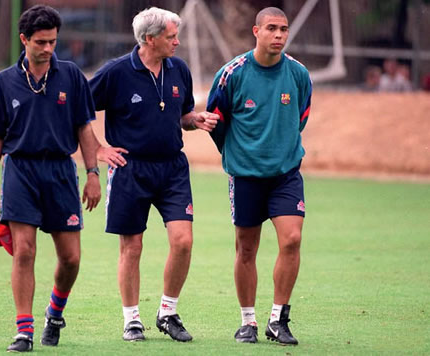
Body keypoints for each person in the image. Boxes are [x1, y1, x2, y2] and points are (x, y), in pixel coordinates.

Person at [89, 7, 218, 343]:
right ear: (150, 39)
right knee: (132, 247)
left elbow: (182, 114)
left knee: (183, 242)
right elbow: (77, 110)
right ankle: (131, 319)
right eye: (171, 36)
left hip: (172, 168)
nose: (177, 42)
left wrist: (195, 120)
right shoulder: (116, 72)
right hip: (130, 170)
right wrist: (98, 150)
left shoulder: (179, 69)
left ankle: (167, 311)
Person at [0, 5, 101, 352]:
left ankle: (54, 312)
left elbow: (84, 126)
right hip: (20, 169)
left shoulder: (72, 76)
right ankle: (24, 330)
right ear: (24, 40)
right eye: (41, 42)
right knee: (24, 252)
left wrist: (93, 173)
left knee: (71, 258)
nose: (48, 49)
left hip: (61, 171)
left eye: (53, 42)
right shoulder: (4, 82)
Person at [206, 7, 312, 345]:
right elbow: (215, 121)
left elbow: (302, 116)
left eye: (283, 29)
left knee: (292, 239)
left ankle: (278, 319)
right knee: (246, 249)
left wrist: (281, 148)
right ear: (256, 31)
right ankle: (248, 322)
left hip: (285, 175)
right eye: (272, 28)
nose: (279, 35)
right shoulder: (232, 73)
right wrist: (239, 155)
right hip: (246, 176)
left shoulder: (298, 73)